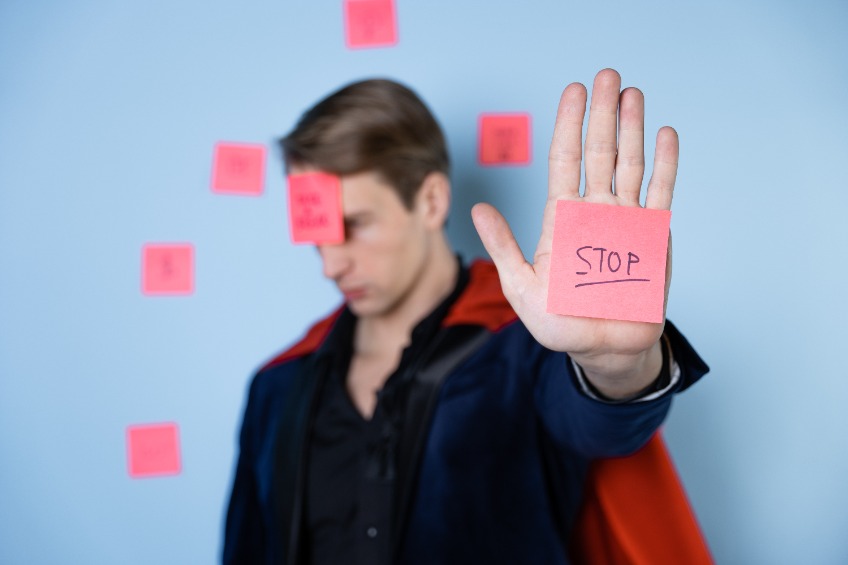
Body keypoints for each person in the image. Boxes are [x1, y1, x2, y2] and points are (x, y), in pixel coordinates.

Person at [223, 69, 710, 565]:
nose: (330, 265)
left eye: (354, 225)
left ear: (431, 201)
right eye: (318, 232)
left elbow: (602, 429)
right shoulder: (276, 387)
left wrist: (614, 368)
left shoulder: (528, 347)